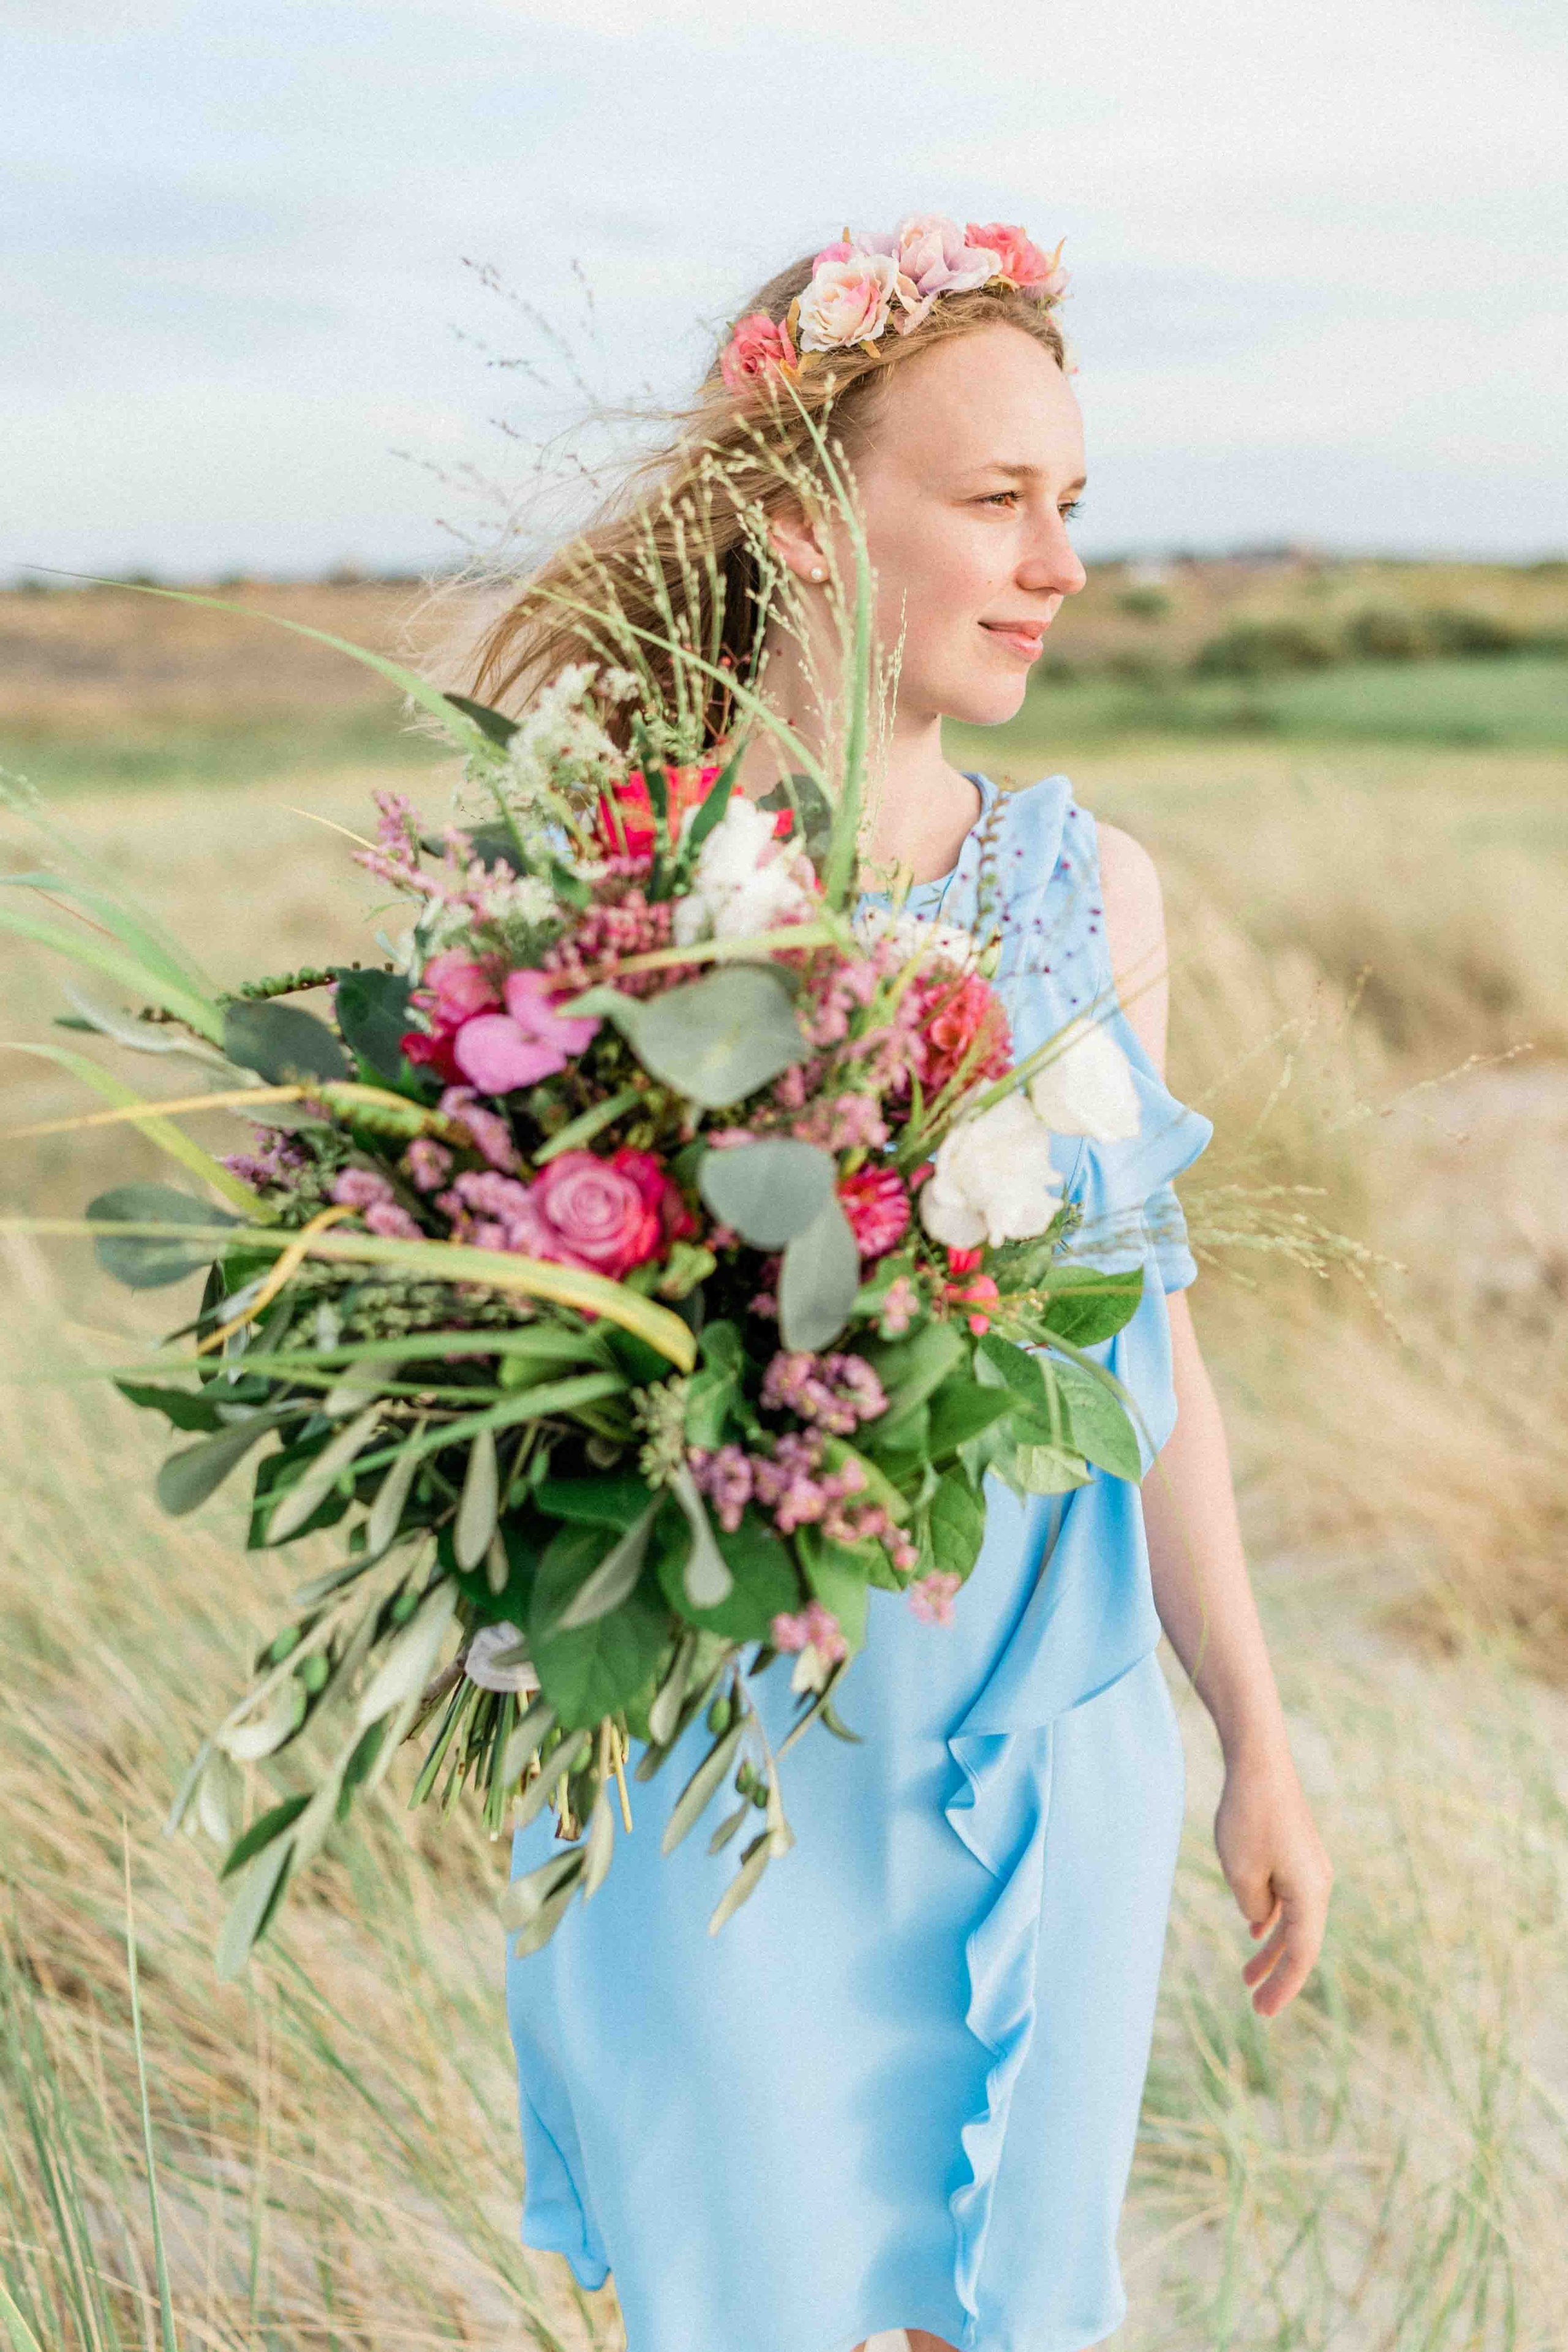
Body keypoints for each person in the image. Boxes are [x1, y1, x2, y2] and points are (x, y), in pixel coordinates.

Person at [469, 213, 1333, 2352]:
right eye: (993, 501)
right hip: (735, 1763)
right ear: (803, 519)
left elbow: (1157, 1353)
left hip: (1049, 1754)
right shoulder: (626, 895)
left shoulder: (1092, 889)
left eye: (1072, 506)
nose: (1056, 564)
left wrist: (1257, 1729)